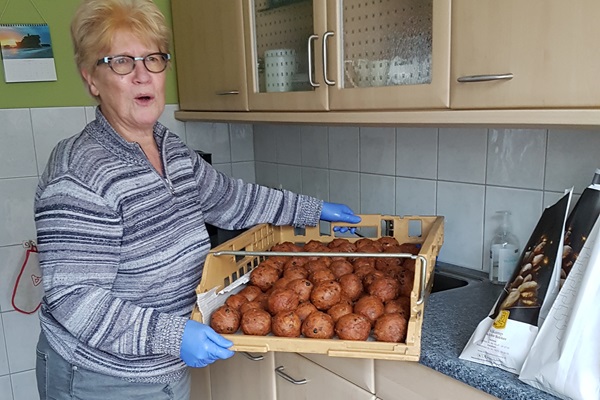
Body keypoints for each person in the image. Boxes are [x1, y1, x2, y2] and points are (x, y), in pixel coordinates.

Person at [33, 0, 360, 399]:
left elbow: (230, 198)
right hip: (100, 377)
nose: (142, 76)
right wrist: (173, 334)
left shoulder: (169, 149)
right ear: (92, 80)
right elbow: (74, 299)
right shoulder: (78, 173)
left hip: (164, 364)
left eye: (153, 59)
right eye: (121, 62)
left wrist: (312, 210)